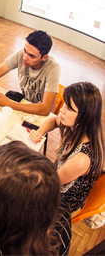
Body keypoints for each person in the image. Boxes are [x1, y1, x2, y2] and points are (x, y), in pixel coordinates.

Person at [29, 82, 104, 212]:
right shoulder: (78, 126)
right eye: (65, 103)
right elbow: (53, 121)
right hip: (54, 177)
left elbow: (49, 183)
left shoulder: (82, 158)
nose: (62, 110)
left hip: (58, 204)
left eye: (69, 108)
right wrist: (40, 131)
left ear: (85, 116)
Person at [0, 30, 60, 116]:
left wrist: (8, 104)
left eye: (31, 56)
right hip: (24, 108)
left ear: (44, 57)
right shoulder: (21, 55)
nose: (25, 57)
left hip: (40, 117)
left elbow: (45, 109)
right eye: (25, 51)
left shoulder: (52, 68)